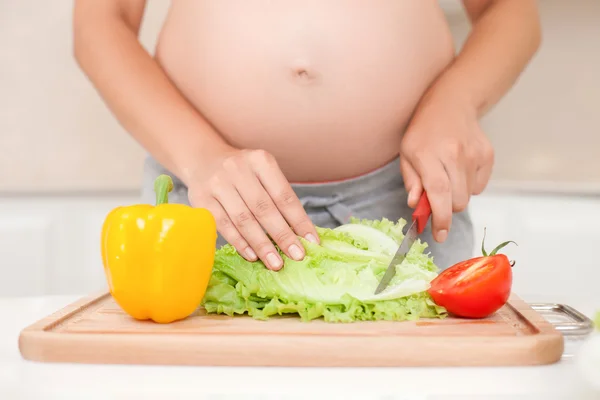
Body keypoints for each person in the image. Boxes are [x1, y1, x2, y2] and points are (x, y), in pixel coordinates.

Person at [73, 0, 541, 271]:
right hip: (210, 204)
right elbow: (99, 24)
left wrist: (455, 103)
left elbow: (512, 11)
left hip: (403, 204)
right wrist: (201, 159)